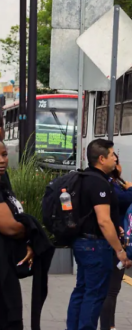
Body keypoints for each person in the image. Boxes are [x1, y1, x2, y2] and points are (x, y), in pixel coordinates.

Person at [66, 139, 132, 330]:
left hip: (82, 242)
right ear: (102, 159)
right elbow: (103, 221)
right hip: (95, 246)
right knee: (94, 294)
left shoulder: (83, 177)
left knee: (82, 290)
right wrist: (119, 250)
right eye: (112, 155)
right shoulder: (99, 183)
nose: (115, 158)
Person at [100, 154, 132, 330]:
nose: (117, 163)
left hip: (104, 241)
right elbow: (127, 199)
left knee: (108, 289)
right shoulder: (112, 185)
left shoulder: (104, 182)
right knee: (111, 289)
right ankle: (108, 326)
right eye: (114, 159)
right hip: (114, 241)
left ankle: (109, 325)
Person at [0, 140, 28, 330]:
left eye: (4, 154)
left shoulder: (3, 180)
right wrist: (32, 232)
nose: (2, 160)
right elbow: (9, 226)